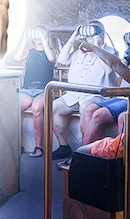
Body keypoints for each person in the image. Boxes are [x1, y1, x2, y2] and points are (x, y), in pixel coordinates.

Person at [51, 21, 121, 160]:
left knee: (85, 108)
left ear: (101, 34)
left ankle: (83, 152)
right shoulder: (80, 51)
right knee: (54, 107)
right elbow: (62, 59)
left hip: (96, 95)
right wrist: (73, 38)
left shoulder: (110, 51)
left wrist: (96, 48)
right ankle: (64, 146)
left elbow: (109, 70)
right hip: (74, 94)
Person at [83, 22, 130, 146]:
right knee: (88, 109)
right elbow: (118, 72)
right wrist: (129, 51)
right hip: (120, 96)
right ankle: (85, 151)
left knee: (98, 115)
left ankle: (87, 156)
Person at [12, 25, 57, 157]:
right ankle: (17, 144)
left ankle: (39, 146)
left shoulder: (51, 50)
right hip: (27, 89)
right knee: (15, 108)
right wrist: (25, 39)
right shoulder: (29, 51)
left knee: (37, 108)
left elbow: (52, 59)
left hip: (45, 90)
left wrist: (43, 40)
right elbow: (17, 57)